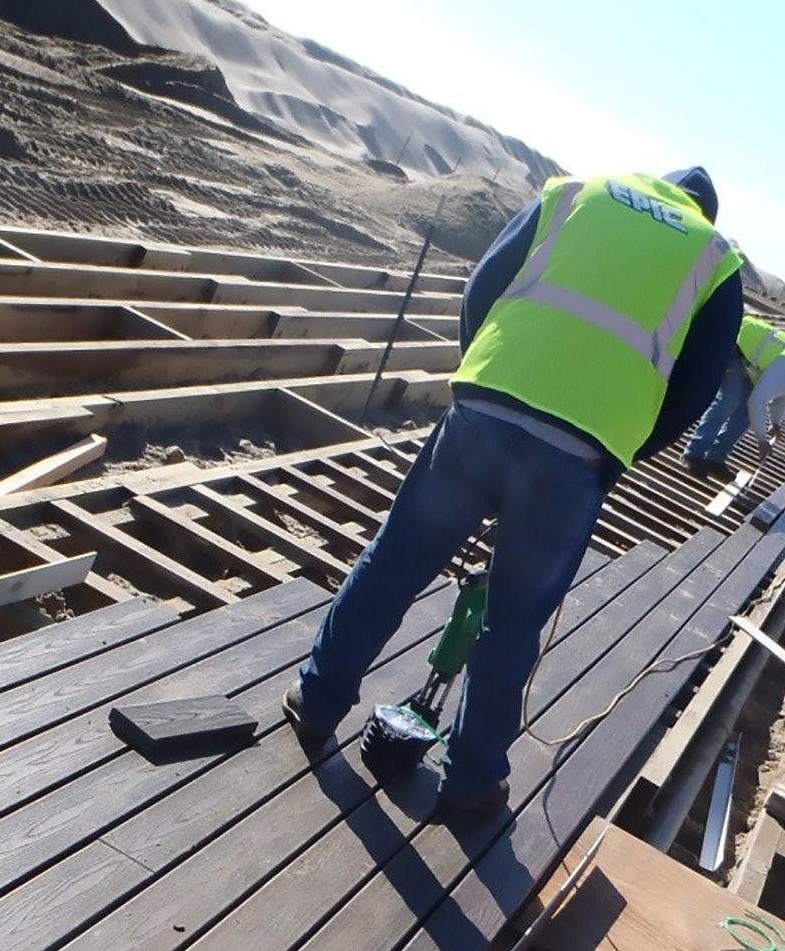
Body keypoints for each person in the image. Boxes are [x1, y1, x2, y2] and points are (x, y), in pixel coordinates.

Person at [283, 168, 744, 818]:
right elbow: (696, 388)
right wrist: (618, 452)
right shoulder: (714, 257)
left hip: (482, 415)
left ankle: (317, 700)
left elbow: (484, 284)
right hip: (575, 457)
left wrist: (482, 379)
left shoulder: (578, 192)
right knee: (514, 620)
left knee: (396, 561)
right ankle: (472, 780)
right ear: (703, 213)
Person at [682, 315, 785, 473]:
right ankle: (694, 453)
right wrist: (762, 440)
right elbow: (757, 401)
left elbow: (783, 395)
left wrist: (776, 422)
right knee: (729, 400)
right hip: (737, 346)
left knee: (745, 415)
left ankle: (715, 458)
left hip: (751, 367)